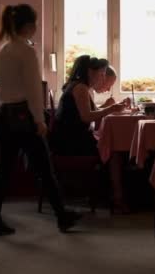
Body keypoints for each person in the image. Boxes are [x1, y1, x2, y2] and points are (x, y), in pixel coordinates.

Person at [0, 4, 81, 237]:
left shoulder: (3, 50)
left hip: (3, 116)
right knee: (45, 169)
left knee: (2, 171)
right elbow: (33, 90)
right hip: (23, 117)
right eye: (35, 23)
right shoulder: (26, 51)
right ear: (29, 26)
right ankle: (62, 216)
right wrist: (40, 120)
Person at [51, 55, 129, 212]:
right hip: (70, 143)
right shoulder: (80, 88)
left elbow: (87, 113)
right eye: (101, 74)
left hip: (68, 139)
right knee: (113, 150)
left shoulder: (77, 86)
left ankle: (110, 196)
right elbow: (86, 117)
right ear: (90, 72)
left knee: (109, 145)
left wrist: (107, 108)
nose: (102, 77)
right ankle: (117, 199)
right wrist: (111, 109)